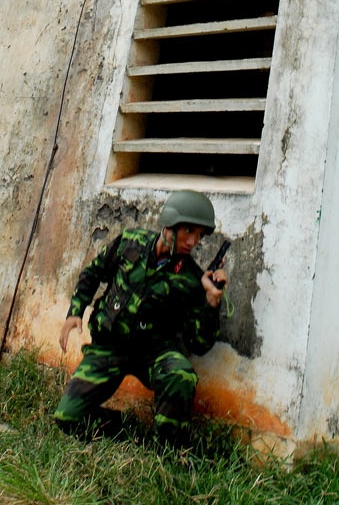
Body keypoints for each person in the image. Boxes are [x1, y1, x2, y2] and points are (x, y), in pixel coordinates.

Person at [54, 189, 229, 444]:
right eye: (188, 231)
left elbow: (199, 344)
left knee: (181, 373)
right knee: (67, 417)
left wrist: (211, 302)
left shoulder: (192, 279)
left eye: (199, 236)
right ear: (170, 224)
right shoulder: (130, 243)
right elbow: (93, 273)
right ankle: (119, 426)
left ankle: (171, 447)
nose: (193, 241)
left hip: (153, 353)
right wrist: (75, 312)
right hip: (110, 347)